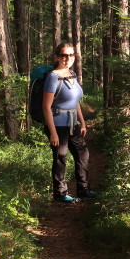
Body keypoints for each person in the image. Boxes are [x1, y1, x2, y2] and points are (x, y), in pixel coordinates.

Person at [42, 42, 97, 202]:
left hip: (73, 123)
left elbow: (76, 101)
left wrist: (83, 122)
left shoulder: (72, 74)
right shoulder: (53, 77)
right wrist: (52, 132)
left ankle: (84, 189)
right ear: (57, 57)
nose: (68, 58)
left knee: (83, 154)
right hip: (58, 124)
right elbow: (46, 106)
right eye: (64, 55)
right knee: (61, 157)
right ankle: (60, 193)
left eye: (71, 55)